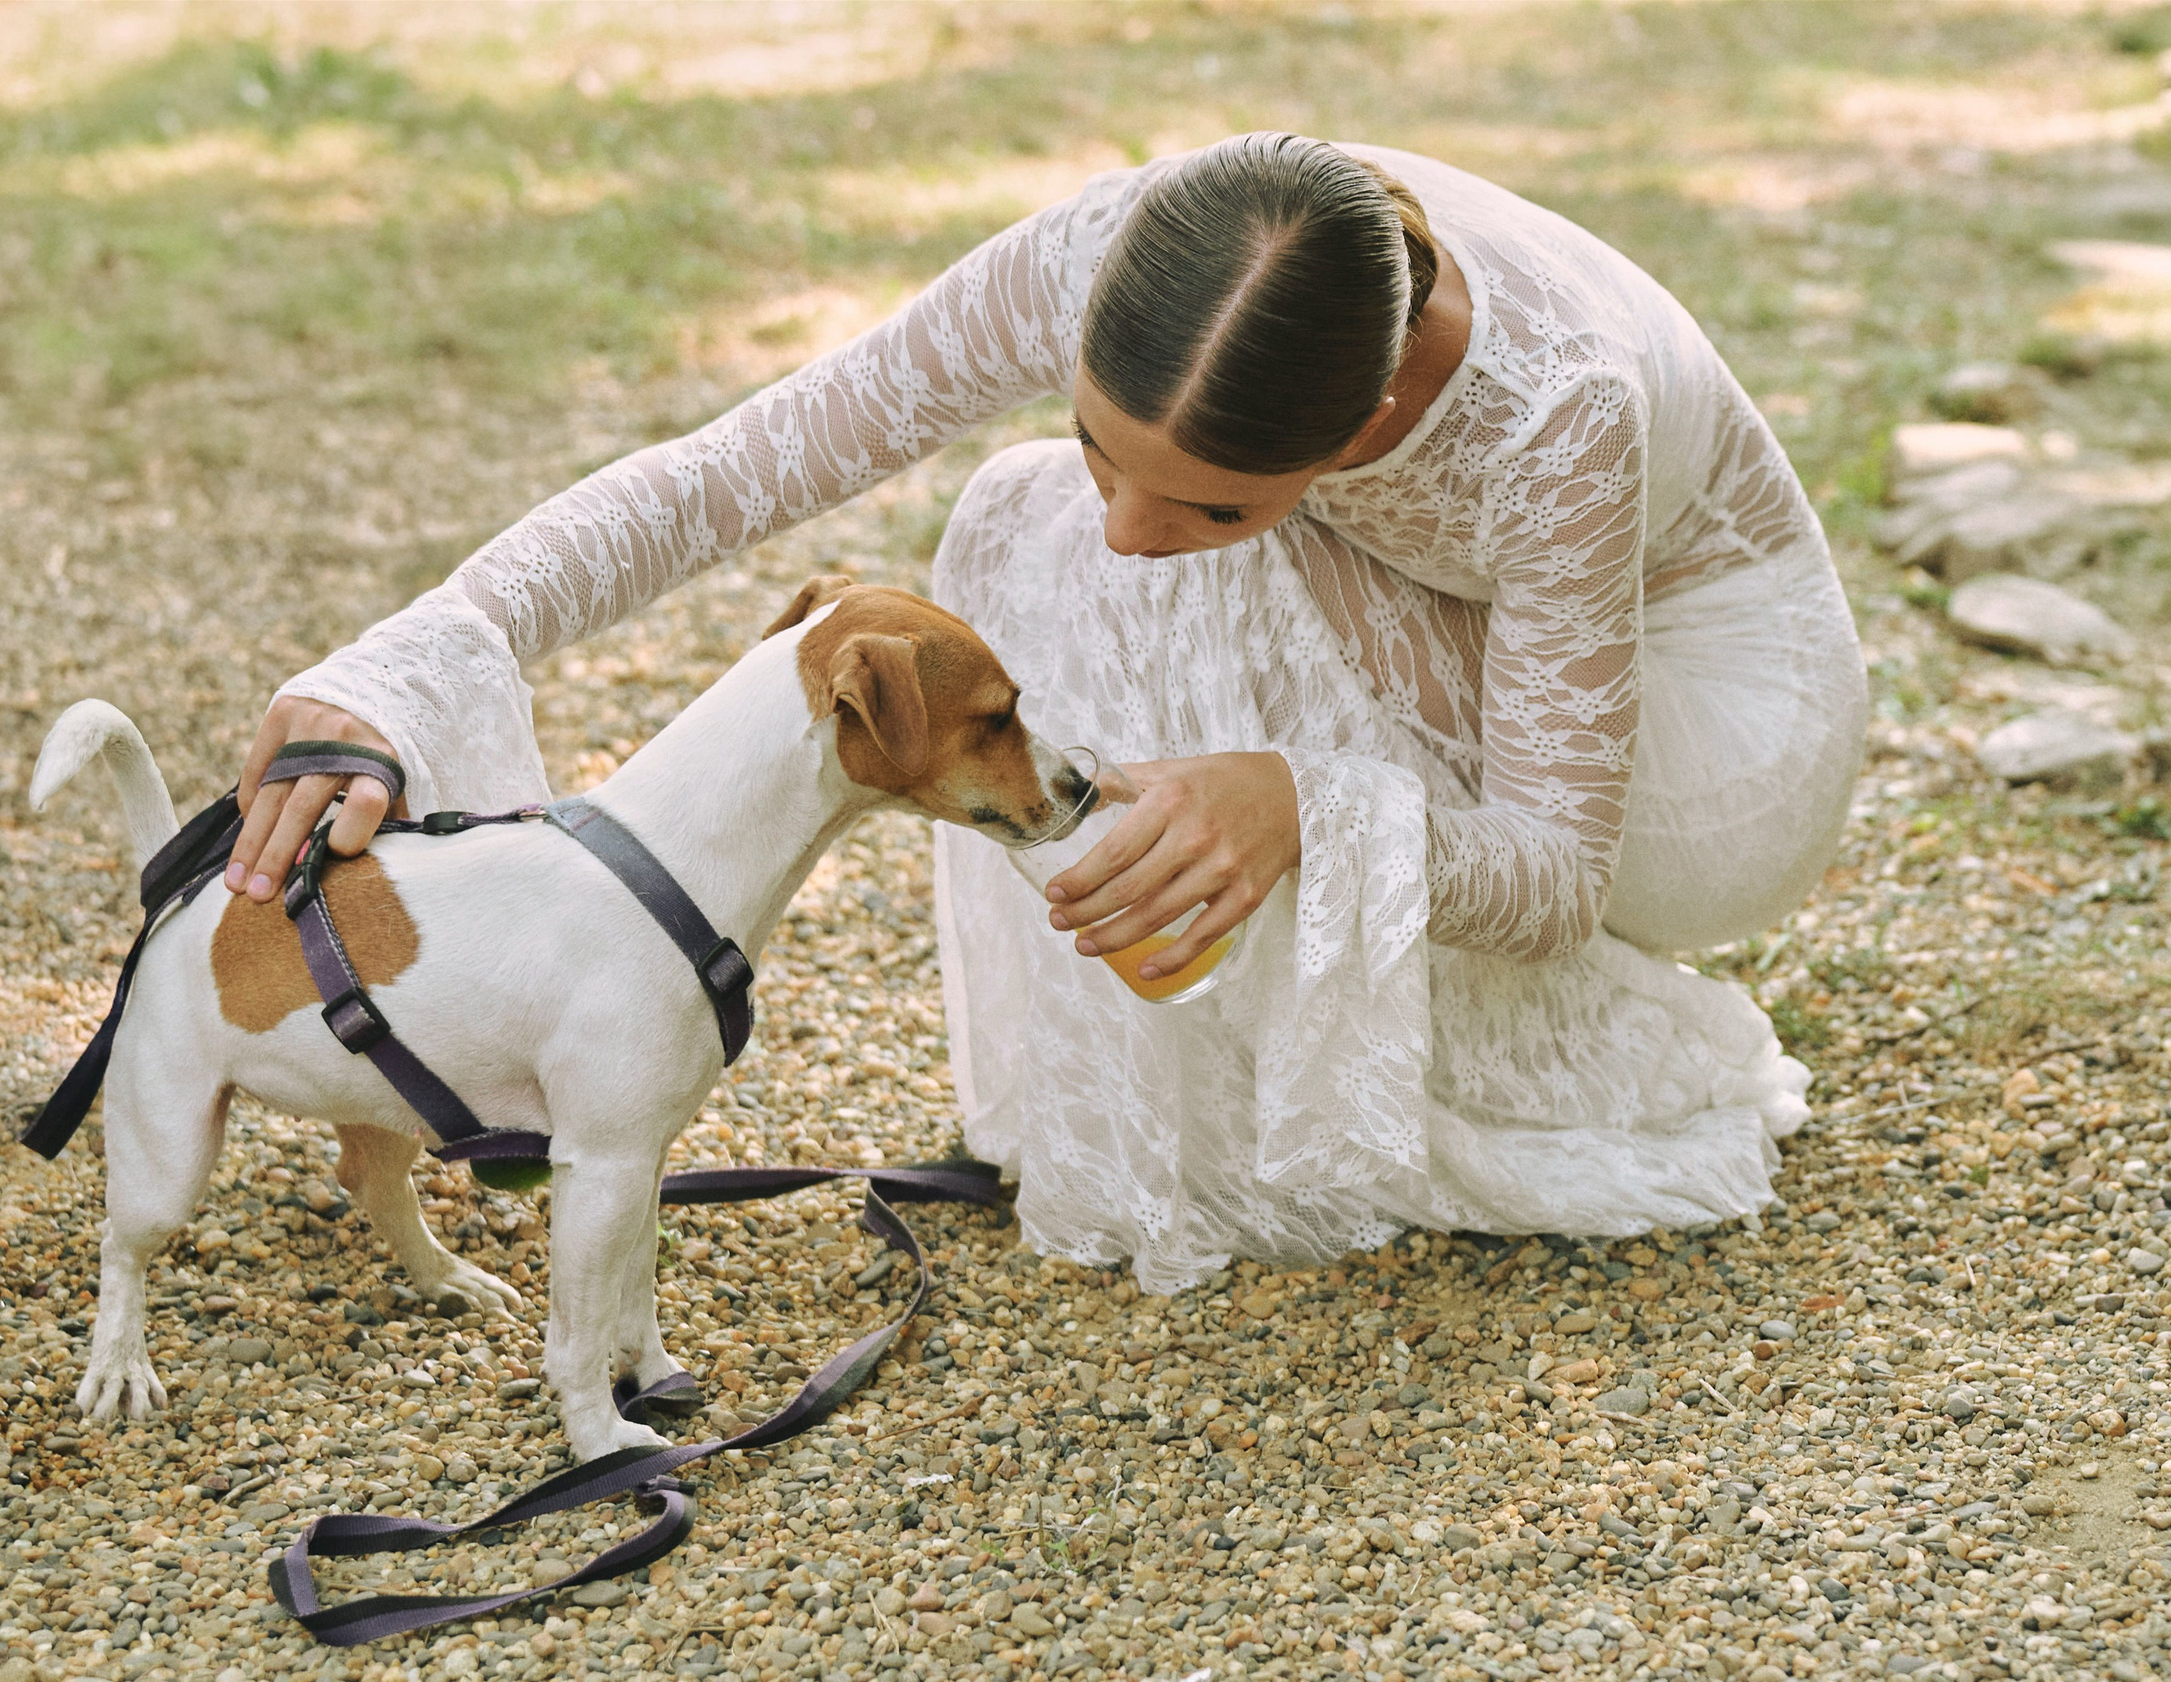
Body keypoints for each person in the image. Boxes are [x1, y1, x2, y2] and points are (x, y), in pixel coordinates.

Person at [227, 133, 1866, 1294]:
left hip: (1706, 738)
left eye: (1214, 503)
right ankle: (1164, 1113)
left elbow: (1554, 874)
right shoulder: (1130, 252)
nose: (1132, 527)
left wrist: (1301, 802)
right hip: (1446, 625)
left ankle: (1375, 1104)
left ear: (1370, 410)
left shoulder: (1554, 414)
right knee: (1022, 519)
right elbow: (739, 469)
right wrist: (394, 668)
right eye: (1107, 442)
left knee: (1084, 556)